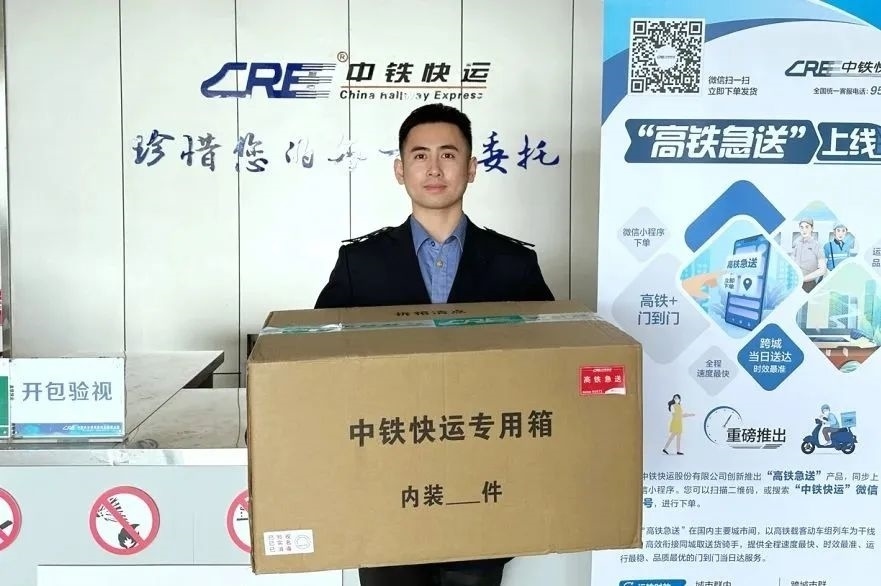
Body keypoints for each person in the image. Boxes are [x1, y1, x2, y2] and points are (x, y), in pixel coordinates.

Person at [314, 103, 555, 586]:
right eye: (420, 155)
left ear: (472, 167)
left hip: (481, 484)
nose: (434, 168)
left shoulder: (512, 263)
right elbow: (315, 360)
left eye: (448, 154)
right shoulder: (362, 263)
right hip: (386, 484)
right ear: (400, 170)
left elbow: (552, 361)